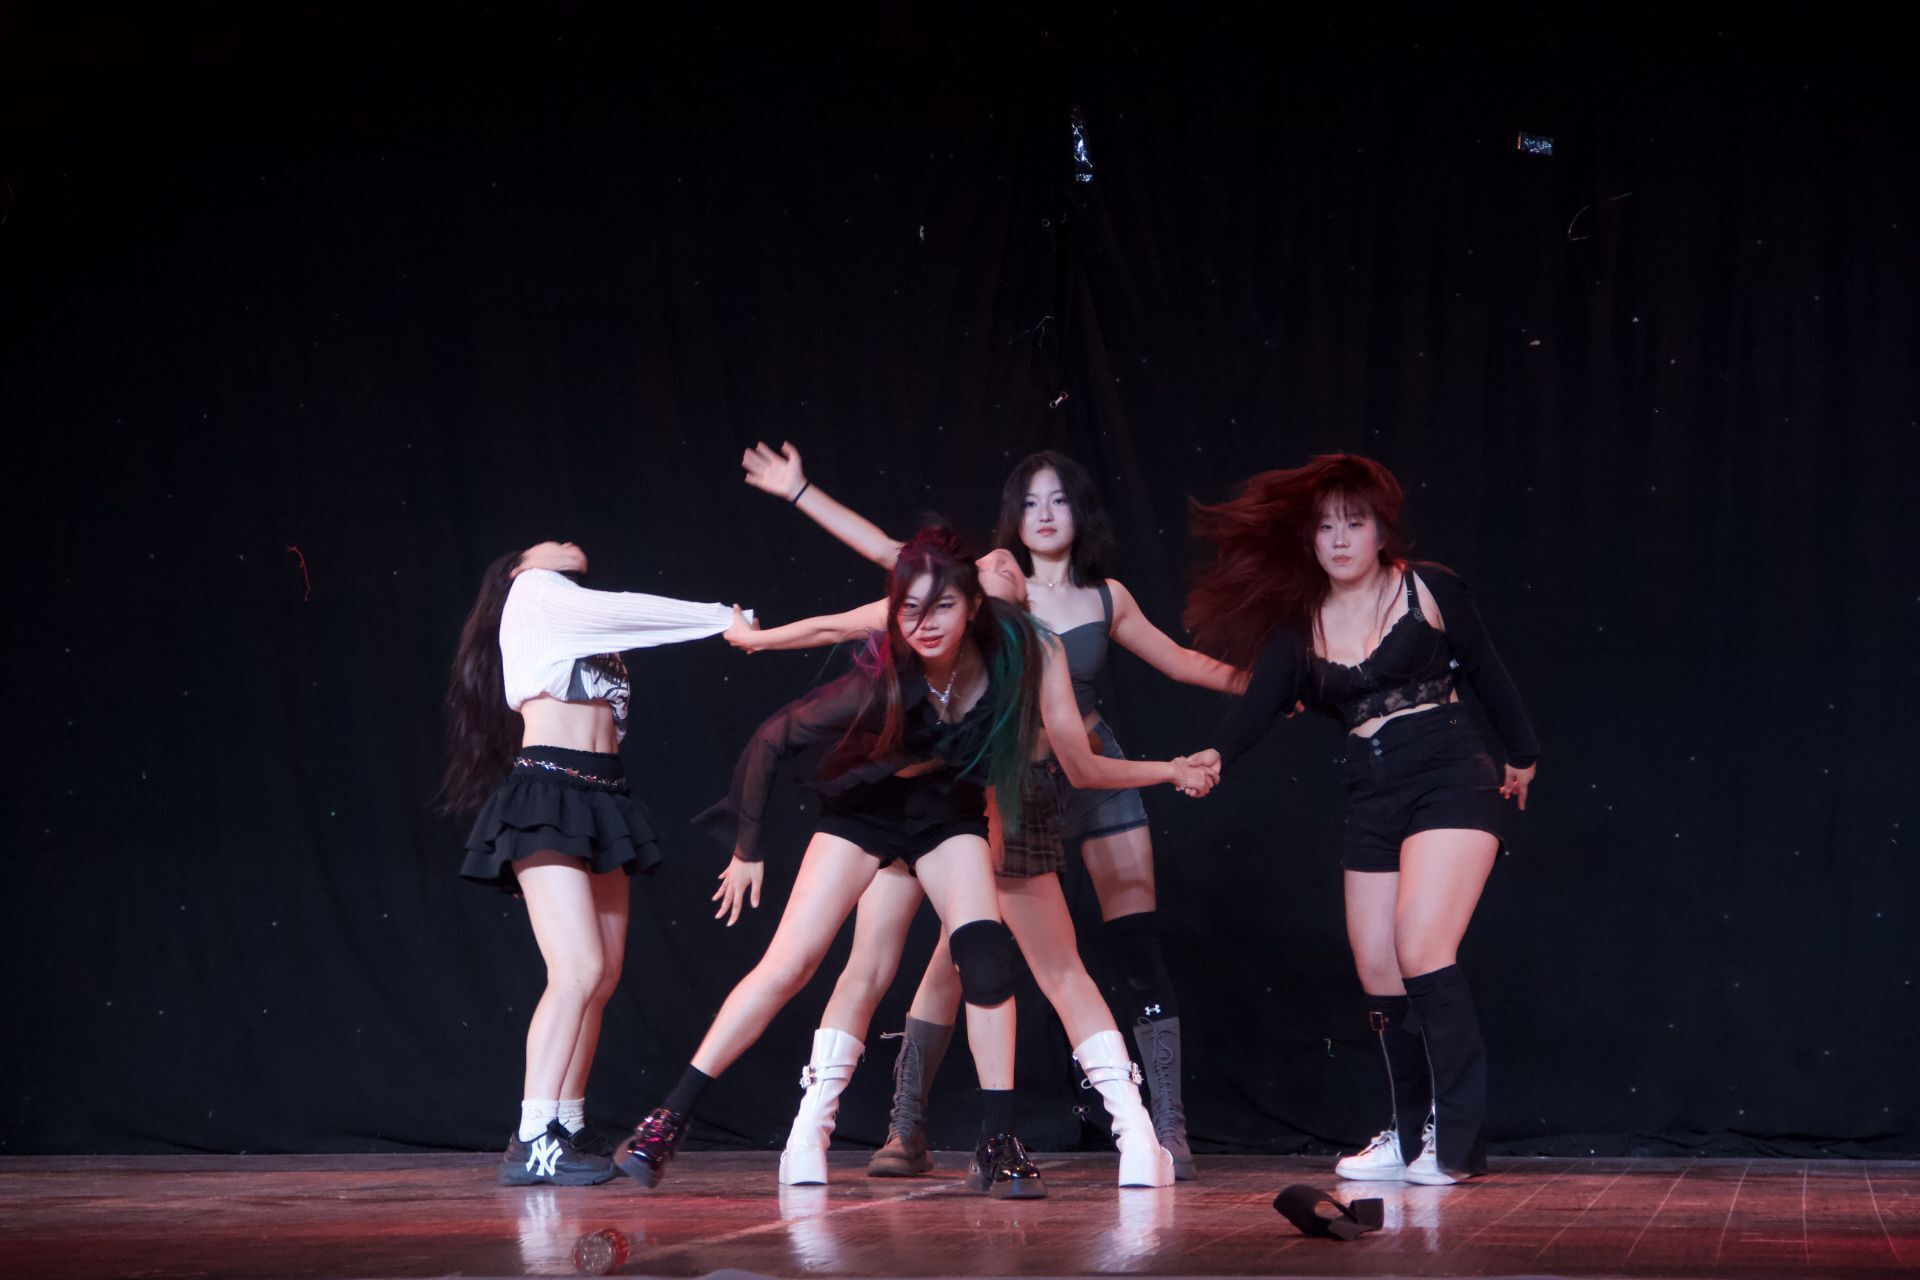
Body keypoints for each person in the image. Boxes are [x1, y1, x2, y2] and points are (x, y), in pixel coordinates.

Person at [616, 530, 1211, 1196]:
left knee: (983, 958)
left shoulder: (1024, 649)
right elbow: (774, 736)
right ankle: (670, 1118)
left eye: (943, 608)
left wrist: (1168, 767)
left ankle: (999, 1138)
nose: (925, 624)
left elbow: (1071, 758)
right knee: (792, 963)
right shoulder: (883, 675)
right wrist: (748, 848)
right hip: (865, 814)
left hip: (949, 818)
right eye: (910, 611)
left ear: (974, 605)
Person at [741, 442, 1245, 1179]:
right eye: (1029, 504)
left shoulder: (1088, 608)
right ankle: (895, 1127)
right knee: (945, 958)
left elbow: (1165, 678)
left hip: (1070, 779)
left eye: (1059, 500)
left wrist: (1267, 688)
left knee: (1088, 953)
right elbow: (872, 578)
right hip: (976, 790)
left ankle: (1153, 1130)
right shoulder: (971, 594)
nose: (1038, 521)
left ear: (1082, 512)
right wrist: (796, 501)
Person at [1182, 456, 1540, 1185]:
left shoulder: (1427, 589)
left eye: (1354, 523)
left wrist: (1523, 754)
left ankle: (1456, 1144)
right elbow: (1259, 705)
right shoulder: (1299, 624)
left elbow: (1487, 670)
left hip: (1448, 776)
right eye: (1325, 527)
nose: (1339, 539)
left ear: (1382, 530)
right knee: (1377, 968)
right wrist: (1214, 756)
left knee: (1421, 946)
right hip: (1371, 793)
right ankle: (1408, 1134)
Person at [440, 541, 741, 1186]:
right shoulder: (534, 592)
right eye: (545, 541)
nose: (566, 541)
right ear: (518, 567)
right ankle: (531, 1137)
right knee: (575, 970)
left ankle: (566, 1122)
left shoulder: (579, 620)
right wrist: (722, 618)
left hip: (601, 796)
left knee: (601, 976)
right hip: (548, 792)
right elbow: (629, 609)